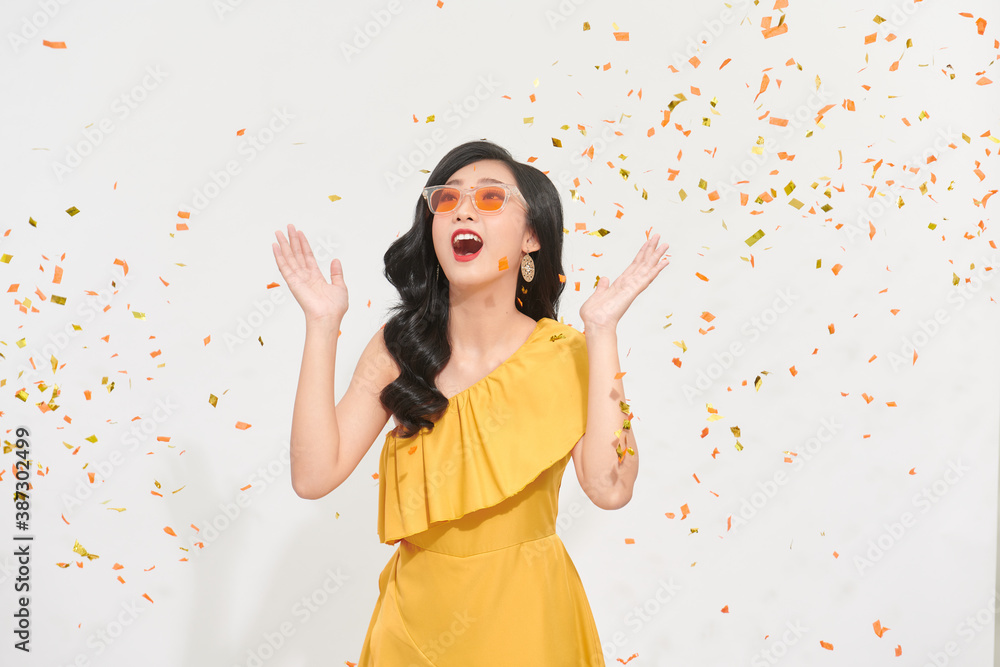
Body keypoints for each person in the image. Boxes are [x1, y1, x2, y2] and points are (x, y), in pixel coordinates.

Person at [271, 140, 670, 665]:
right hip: (414, 629)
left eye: (489, 198)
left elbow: (610, 488)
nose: (462, 208)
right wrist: (322, 326)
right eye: (447, 198)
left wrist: (601, 332)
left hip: (530, 623)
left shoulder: (566, 355)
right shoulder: (400, 348)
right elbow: (313, 475)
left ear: (531, 236)